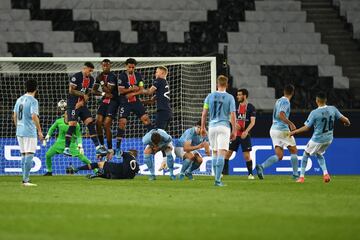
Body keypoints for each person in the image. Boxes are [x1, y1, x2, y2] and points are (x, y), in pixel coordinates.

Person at [289, 92, 350, 183]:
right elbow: (346, 120)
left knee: (305, 154)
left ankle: (301, 177)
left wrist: (294, 132)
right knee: (319, 154)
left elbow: (306, 128)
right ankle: (325, 174)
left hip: (317, 139)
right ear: (325, 100)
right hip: (329, 139)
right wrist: (347, 123)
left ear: (317, 101)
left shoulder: (314, 113)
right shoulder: (333, 109)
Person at [255, 84, 299, 180]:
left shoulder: (278, 101)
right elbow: (281, 115)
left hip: (273, 130)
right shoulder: (286, 102)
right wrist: (290, 123)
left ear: (284, 91)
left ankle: (261, 167)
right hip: (282, 130)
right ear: (292, 93)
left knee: (279, 156)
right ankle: (296, 175)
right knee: (294, 150)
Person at [64, 62, 107, 156]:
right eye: (89, 70)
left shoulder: (91, 79)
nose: (90, 72)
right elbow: (71, 91)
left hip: (82, 105)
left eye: (91, 71)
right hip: (73, 104)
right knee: (72, 125)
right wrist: (82, 95)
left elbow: (89, 92)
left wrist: (101, 94)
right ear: (84, 68)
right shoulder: (77, 76)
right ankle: (66, 148)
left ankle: (97, 147)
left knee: (90, 122)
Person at [201, 75, 236, 187]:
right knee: (221, 153)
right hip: (224, 126)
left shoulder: (209, 96)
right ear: (226, 85)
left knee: (215, 153)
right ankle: (217, 180)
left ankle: (217, 179)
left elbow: (204, 113)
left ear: (217, 84)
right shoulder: (230, 97)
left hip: (212, 127)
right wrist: (234, 130)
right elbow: (233, 115)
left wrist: (202, 127)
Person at [43, 100, 94, 176]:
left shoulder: (76, 124)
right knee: (48, 155)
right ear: (65, 114)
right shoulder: (59, 121)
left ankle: (96, 170)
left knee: (83, 158)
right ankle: (49, 171)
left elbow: (79, 135)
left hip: (71, 145)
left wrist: (80, 145)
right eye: (67, 113)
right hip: (59, 144)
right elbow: (52, 128)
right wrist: (47, 136)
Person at [115, 58, 152, 157]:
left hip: (135, 101)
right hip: (125, 102)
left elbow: (141, 89)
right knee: (122, 123)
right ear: (126, 66)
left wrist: (132, 93)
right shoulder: (122, 76)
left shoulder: (138, 76)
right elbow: (121, 91)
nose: (131, 69)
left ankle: (153, 141)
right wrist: (131, 88)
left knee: (146, 119)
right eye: (129, 67)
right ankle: (117, 148)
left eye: (133, 67)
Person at [13, 79, 44, 186]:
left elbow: (14, 115)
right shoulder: (33, 101)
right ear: (36, 88)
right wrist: (39, 131)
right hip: (29, 131)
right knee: (29, 154)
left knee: (23, 155)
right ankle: (25, 180)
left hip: (19, 131)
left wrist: (18, 127)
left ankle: (24, 178)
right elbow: (34, 116)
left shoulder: (19, 99)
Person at [224, 88, 256, 179]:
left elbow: (253, 122)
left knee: (246, 156)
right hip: (235, 134)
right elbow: (230, 117)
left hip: (244, 135)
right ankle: (224, 173)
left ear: (244, 96)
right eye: (237, 95)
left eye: (239, 95)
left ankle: (250, 174)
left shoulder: (250, 107)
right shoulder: (235, 107)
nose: (237, 96)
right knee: (227, 154)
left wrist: (246, 131)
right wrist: (234, 125)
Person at [93, 59, 118, 158]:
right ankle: (102, 146)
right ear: (101, 66)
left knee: (106, 124)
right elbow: (93, 91)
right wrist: (102, 93)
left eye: (107, 65)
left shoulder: (113, 76)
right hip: (105, 100)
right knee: (97, 122)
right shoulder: (99, 76)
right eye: (103, 65)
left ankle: (110, 148)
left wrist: (102, 82)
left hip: (113, 101)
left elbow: (110, 91)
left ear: (110, 66)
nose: (105, 67)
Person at [74, 150, 139, 179]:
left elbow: (116, 151)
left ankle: (78, 168)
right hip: (125, 177)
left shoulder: (128, 155)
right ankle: (99, 175)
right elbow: (133, 175)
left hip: (120, 171)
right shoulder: (137, 165)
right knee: (113, 172)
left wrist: (103, 154)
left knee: (99, 164)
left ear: (131, 153)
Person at [142, 66, 172, 130]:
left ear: (162, 73)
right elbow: (151, 101)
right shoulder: (164, 84)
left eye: (157, 72)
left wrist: (139, 90)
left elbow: (149, 92)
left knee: (158, 133)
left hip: (162, 111)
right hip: (168, 112)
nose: (155, 74)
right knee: (162, 133)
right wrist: (140, 101)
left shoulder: (159, 80)